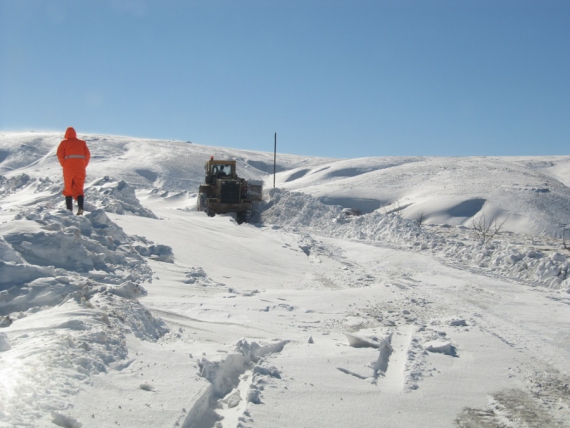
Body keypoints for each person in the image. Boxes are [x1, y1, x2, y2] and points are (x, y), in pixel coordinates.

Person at [57, 127, 90, 215]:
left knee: (68, 188)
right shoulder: (82, 143)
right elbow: (87, 155)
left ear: (66, 134)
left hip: (68, 169)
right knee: (79, 188)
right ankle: (81, 207)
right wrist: (83, 165)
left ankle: (69, 211)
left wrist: (64, 164)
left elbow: (59, 154)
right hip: (80, 169)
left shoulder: (64, 143)